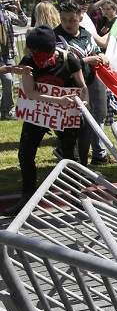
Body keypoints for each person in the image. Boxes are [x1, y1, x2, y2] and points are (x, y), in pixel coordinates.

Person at [2, 26, 87, 217]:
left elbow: (82, 87)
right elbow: (30, 92)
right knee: (25, 153)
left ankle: (77, 197)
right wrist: (57, 100)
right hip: (38, 112)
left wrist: (84, 102)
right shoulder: (29, 61)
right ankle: (27, 197)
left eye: (39, 51)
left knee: (71, 156)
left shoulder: (68, 59)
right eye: (32, 51)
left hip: (65, 114)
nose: (35, 55)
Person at [54, 0, 113, 166]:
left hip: (91, 83)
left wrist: (100, 55)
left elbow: (94, 49)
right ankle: (75, 165)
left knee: (91, 123)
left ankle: (84, 163)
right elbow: (61, 65)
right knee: (75, 129)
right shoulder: (56, 36)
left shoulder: (86, 34)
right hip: (70, 88)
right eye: (64, 19)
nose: (68, 23)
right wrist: (88, 60)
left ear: (80, 18)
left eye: (72, 20)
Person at [0, 0, 28, 120]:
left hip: (9, 53)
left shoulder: (6, 14)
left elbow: (23, 23)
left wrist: (19, 10)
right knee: (7, 80)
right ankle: (9, 108)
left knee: (10, 82)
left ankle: (6, 110)